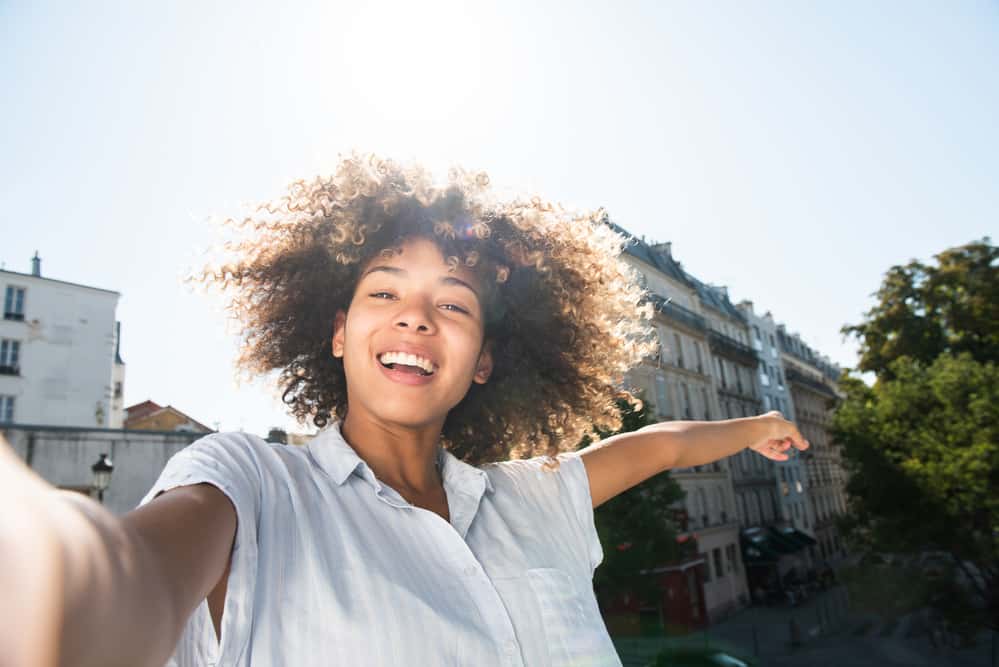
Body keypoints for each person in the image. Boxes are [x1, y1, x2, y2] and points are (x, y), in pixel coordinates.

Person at [0, 154, 809, 667]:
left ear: (485, 358)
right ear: (338, 332)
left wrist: (756, 427)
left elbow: (658, 444)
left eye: (452, 305)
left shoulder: (532, 497)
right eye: (383, 291)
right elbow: (105, 589)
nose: (416, 317)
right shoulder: (249, 484)